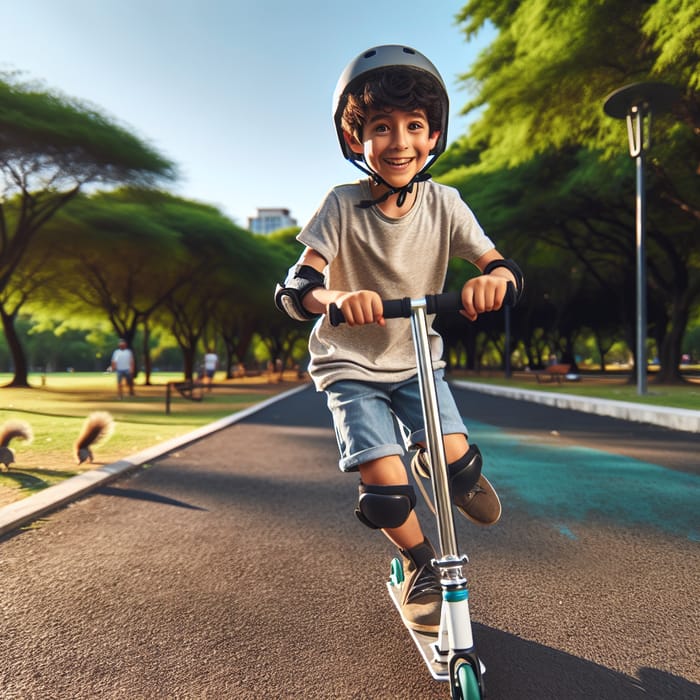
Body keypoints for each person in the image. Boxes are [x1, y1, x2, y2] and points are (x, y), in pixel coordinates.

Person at [274, 45, 524, 635]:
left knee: (455, 464)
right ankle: (420, 565)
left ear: (434, 135)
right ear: (355, 139)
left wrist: (495, 281)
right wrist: (334, 299)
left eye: (414, 126)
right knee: (385, 487)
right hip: (350, 362)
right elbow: (295, 287)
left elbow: (501, 264)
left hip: (415, 360)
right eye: (380, 128)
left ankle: (454, 471)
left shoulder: (446, 203)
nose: (399, 141)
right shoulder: (341, 205)